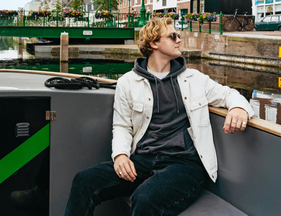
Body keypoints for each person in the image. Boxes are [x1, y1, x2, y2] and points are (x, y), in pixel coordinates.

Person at [64, 17, 254, 216]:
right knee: (84, 181)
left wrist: (239, 108)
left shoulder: (195, 79)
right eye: (172, 36)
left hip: (184, 164)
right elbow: (122, 126)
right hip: (143, 160)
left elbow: (229, 95)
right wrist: (120, 155)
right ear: (154, 43)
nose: (179, 40)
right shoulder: (127, 82)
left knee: (144, 199)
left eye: (178, 35)